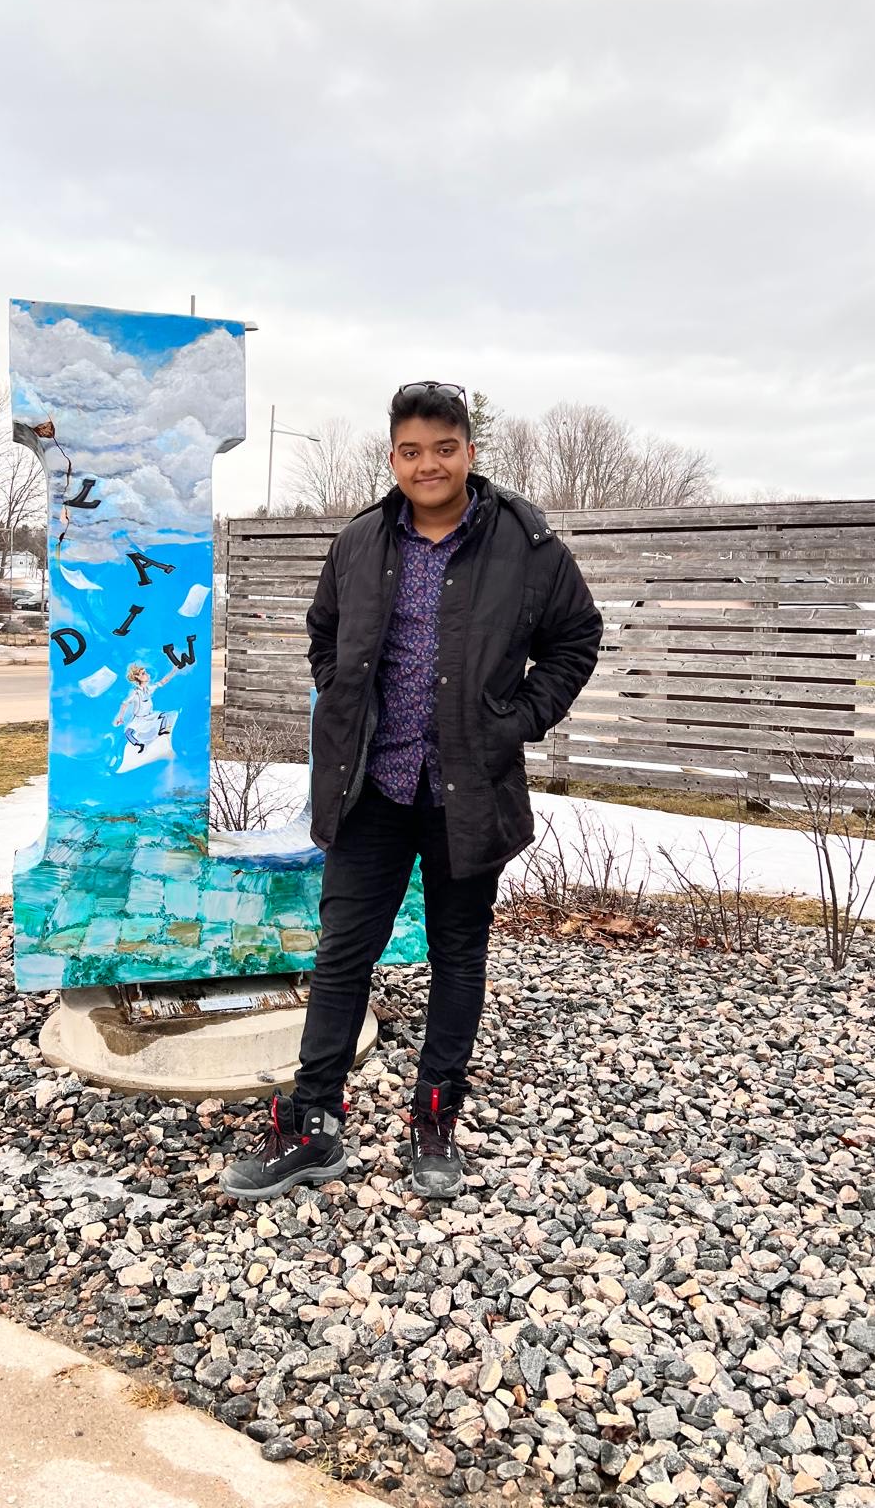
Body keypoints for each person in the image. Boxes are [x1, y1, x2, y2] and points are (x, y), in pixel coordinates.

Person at [221, 381, 602, 1203]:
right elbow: (324, 633)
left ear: (469, 451)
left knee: (457, 954)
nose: (427, 464)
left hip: (469, 787)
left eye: (443, 448)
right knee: (341, 956)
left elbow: (577, 640)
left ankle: (434, 1119)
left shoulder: (527, 545)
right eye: (410, 450)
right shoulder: (360, 540)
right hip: (372, 787)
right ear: (392, 456)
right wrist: (343, 702)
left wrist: (516, 720)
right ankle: (313, 1125)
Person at [113, 662, 176, 752]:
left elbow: (163, 681)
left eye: (145, 672)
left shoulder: (148, 688)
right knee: (128, 733)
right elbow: (124, 704)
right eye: (143, 673)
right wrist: (120, 717)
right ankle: (139, 744)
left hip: (150, 715)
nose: (146, 674)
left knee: (165, 715)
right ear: (138, 677)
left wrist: (173, 670)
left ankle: (162, 730)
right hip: (139, 719)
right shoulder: (136, 692)